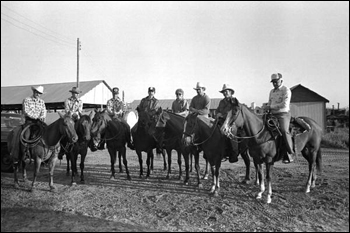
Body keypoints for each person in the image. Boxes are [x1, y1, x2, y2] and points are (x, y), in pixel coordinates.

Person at [263, 73, 295, 163]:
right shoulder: (271, 92)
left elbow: (284, 104)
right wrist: (266, 107)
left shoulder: (286, 90)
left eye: (276, 81)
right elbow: (269, 102)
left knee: (284, 130)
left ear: (281, 81)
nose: (275, 83)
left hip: (283, 114)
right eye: (273, 82)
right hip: (272, 114)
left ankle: (290, 153)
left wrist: (270, 107)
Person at [10, 85, 47, 163]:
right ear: (34, 92)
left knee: (48, 133)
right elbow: (26, 111)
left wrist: (42, 116)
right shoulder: (27, 100)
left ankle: (47, 153)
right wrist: (36, 117)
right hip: (29, 122)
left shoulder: (42, 102)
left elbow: (44, 111)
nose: (38, 94)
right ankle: (22, 153)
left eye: (40, 93)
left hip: (39, 122)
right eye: (37, 92)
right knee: (26, 136)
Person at [216, 84, 239, 163]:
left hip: (231, 121)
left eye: (226, 91)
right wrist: (218, 114)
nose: (225, 93)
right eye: (224, 92)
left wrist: (222, 114)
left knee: (231, 132)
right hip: (221, 120)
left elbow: (234, 111)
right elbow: (217, 110)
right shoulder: (222, 102)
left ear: (230, 92)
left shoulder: (234, 101)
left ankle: (234, 153)